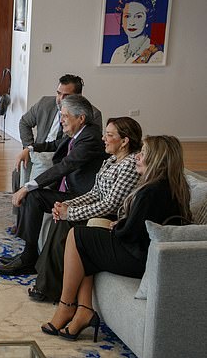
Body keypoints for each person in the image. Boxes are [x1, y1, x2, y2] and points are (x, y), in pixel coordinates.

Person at [42, 135, 191, 341]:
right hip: (147, 254)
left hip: (138, 258)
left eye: (143, 153)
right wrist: (120, 225)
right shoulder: (173, 186)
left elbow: (130, 233)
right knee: (88, 238)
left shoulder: (150, 192)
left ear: (156, 160)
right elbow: (144, 224)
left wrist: (118, 226)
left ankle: (66, 306)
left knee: (76, 236)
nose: (137, 157)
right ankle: (84, 310)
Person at [28, 117, 142, 302]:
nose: (103, 138)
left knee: (67, 223)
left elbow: (111, 204)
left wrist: (70, 213)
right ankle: (46, 282)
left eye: (109, 135)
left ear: (124, 141)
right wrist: (68, 205)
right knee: (60, 219)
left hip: (113, 218)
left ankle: (49, 287)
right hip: (100, 209)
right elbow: (95, 193)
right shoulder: (111, 160)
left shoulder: (129, 165)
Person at [0, 95, 107, 275]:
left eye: (64, 116)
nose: (61, 119)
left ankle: (28, 258)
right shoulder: (80, 131)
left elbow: (65, 166)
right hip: (72, 190)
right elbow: (56, 144)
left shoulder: (90, 139)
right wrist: (30, 148)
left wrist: (28, 186)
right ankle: (27, 254)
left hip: (81, 196)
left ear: (81, 118)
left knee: (33, 195)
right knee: (32, 195)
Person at [18, 74, 103, 183]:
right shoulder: (44, 103)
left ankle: (29, 192)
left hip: (65, 154)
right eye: (59, 93)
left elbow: (84, 146)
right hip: (43, 148)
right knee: (27, 159)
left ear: (78, 97)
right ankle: (23, 192)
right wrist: (28, 146)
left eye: (66, 95)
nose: (60, 99)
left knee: (41, 168)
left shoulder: (92, 114)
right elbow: (24, 122)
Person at [109, 0, 163, 64]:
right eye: (127, 16)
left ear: (147, 20)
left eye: (138, 16)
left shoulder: (157, 56)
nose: (132, 22)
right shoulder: (118, 52)